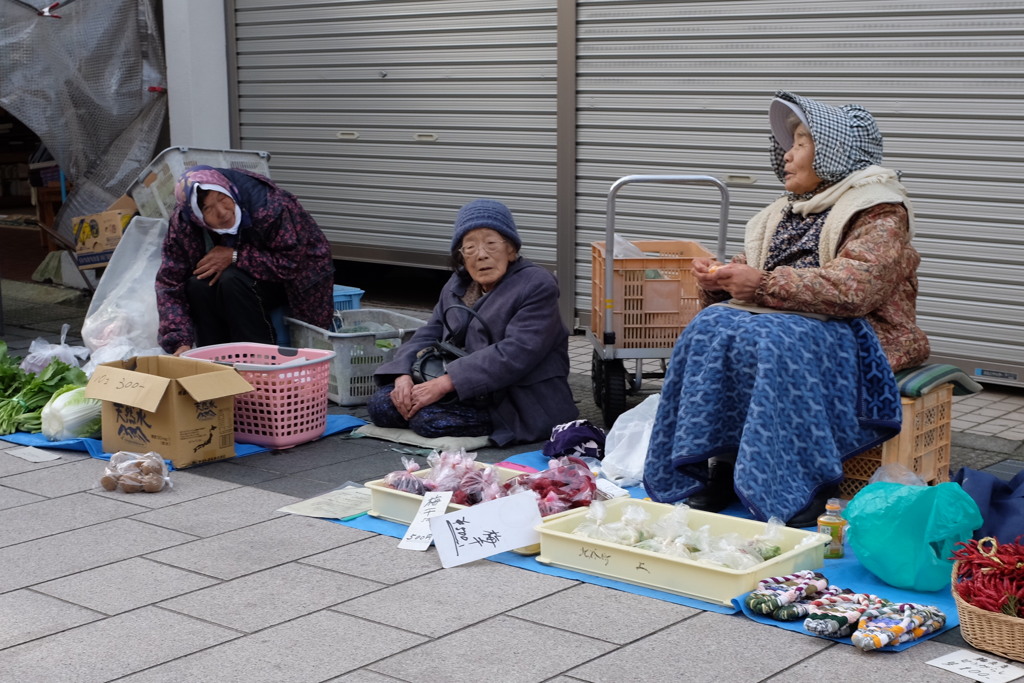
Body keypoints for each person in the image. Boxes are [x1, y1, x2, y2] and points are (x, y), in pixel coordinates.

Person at [643, 91, 930, 527]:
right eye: (789, 144)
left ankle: (804, 482)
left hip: (865, 332)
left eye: (800, 144)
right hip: (794, 322)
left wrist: (759, 283)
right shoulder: (786, 211)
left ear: (834, 152)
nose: (787, 155)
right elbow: (759, 274)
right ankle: (716, 462)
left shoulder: (879, 212)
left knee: (777, 341)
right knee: (710, 325)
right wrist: (721, 280)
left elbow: (855, 288)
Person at [367, 198, 579, 446]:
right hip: (463, 389)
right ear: (461, 256)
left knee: (428, 420)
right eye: (470, 247)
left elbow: (516, 351)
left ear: (511, 249)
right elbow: (431, 330)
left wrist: (445, 383)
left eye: (491, 244)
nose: (481, 255)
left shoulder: (537, 284)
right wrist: (402, 373)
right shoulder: (458, 283)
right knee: (382, 405)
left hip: (516, 398)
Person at [156, 165, 334, 355]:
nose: (222, 212)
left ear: (229, 190)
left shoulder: (270, 206)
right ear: (197, 216)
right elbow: (170, 282)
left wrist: (235, 256)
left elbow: (291, 262)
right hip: (244, 280)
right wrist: (179, 340)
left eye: (222, 198)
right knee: (198, 283)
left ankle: (258, 359)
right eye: (208, 208)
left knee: (232, 280)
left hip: (295, 280)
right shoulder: (184, 223)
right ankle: (212, 359)